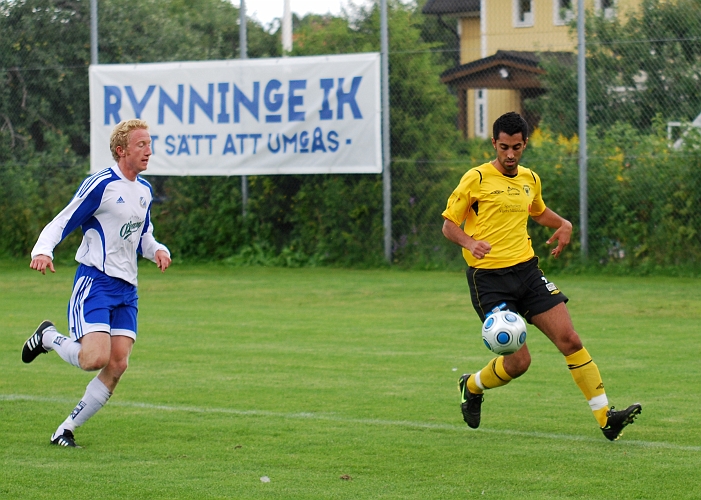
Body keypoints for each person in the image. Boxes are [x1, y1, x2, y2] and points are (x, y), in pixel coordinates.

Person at [442, 111, 641, 441]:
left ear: (524, 145)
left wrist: (563, 223)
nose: (509, 154)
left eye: (516, 147)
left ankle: (607, 418)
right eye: (503, 147)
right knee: (520, 363)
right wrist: (469, 242)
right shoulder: (475, 178)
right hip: (488, 279)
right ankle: (472, 385)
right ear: (494, 143)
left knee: (570, 340)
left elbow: (537, 211)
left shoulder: (530, 179)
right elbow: (449, 224)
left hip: (527, 272)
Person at [22, 119, 171, 448]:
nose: (148, 150)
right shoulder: (101, 185)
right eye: (141, 145)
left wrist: (157, 249)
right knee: (93, 359)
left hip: (127, 289)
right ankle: (47, 337)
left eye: (149, 144)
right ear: (121, 151)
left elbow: (142, 236)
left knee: (118, 363)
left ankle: (65, 429)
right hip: (96, 282)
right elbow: (63, 219)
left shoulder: (144, 191)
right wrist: (43, 250)